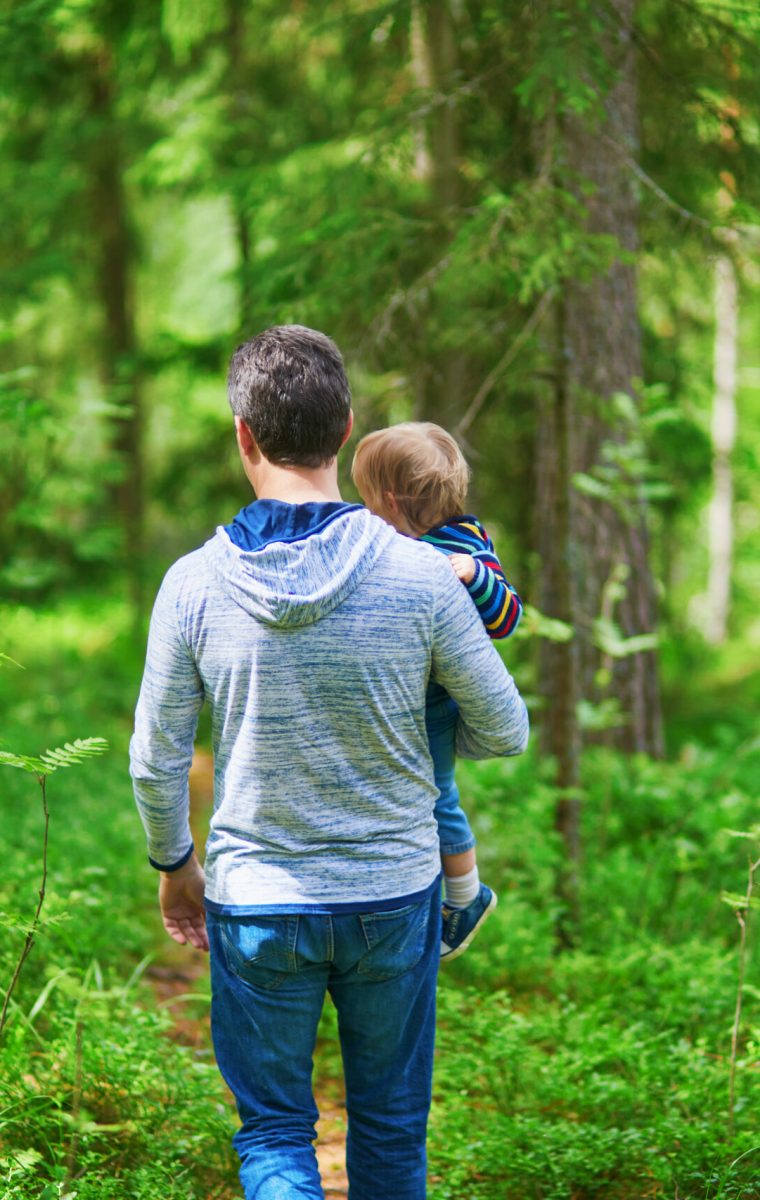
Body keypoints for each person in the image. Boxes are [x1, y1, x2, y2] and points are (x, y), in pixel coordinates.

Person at [130, 325, 529, 1200]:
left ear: (243, 434)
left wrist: (174, 865)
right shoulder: (427, 577)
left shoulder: (192, 585)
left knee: (274, 1133)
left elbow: (156, 761)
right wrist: (406, 735)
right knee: (390, 1128)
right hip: (395, 894)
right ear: (346, 429)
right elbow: (506, 729)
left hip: (258, 902)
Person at [351, 422, 522, 962]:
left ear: (389, 499)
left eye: (365, 497)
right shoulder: (387, 542)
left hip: (435, 704)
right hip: (396, 695)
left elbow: (508, 617)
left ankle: (467, 897)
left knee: (439, 795)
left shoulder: (465, 543)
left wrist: (474, 574)